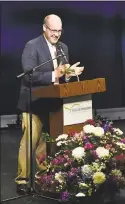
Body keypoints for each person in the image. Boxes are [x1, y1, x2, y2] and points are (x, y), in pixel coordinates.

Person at [16, 14, 84, 194]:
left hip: (52, 103)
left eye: (59, 31)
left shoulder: (63, 48)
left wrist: (69, 74)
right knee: (30, 142)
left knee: (46, 144)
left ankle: (42, 178)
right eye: (53, 30)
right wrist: (55, 74)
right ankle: (22, 181)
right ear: (44, 28)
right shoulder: (32, 46)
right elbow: (29, 75)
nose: (56, 34)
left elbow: (62, 74)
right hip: (34, 103)